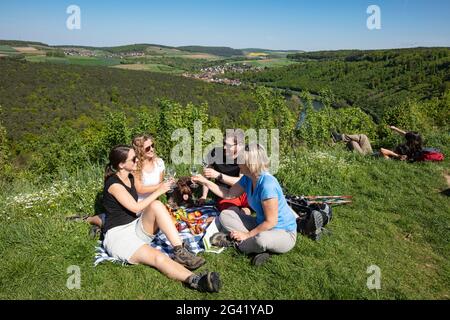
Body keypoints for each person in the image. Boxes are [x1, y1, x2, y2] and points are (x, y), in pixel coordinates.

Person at [101, 145, 220, 293]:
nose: (137, 160)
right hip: (119, 236)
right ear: (121, 165)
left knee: (157, 205)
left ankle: (179, 251)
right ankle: (196, 280)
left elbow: (141, 195)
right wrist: (160, 190)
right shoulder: (114, 185)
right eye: (133, 159)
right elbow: (135, 208)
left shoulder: (130, 177)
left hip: (134, 226)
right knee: (157, 256)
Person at [192, 143, 297, 266]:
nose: (237, 162)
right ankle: (251, 247)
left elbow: (271, 222)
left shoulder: (268, 185)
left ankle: (239, 243)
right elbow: (229, 194)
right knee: (225, 215)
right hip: (260, 224)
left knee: (261, 239)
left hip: (283, 232)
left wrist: (247, 234)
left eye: (240, 160)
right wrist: (205, 181)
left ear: (250, 163)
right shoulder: (248, 178)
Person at [199, 130, 251, 215]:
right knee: (231, 212)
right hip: (225, 192)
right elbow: (206, 175)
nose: (224, 147)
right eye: (224, 143)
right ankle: (242, 213)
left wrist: (218, 175)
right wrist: (204, 196)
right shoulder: (215, 153)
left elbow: (243, 182)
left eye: (229, 145)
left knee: (245, 209)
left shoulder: (246, 156)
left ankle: (244, 212)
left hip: (245, 192)